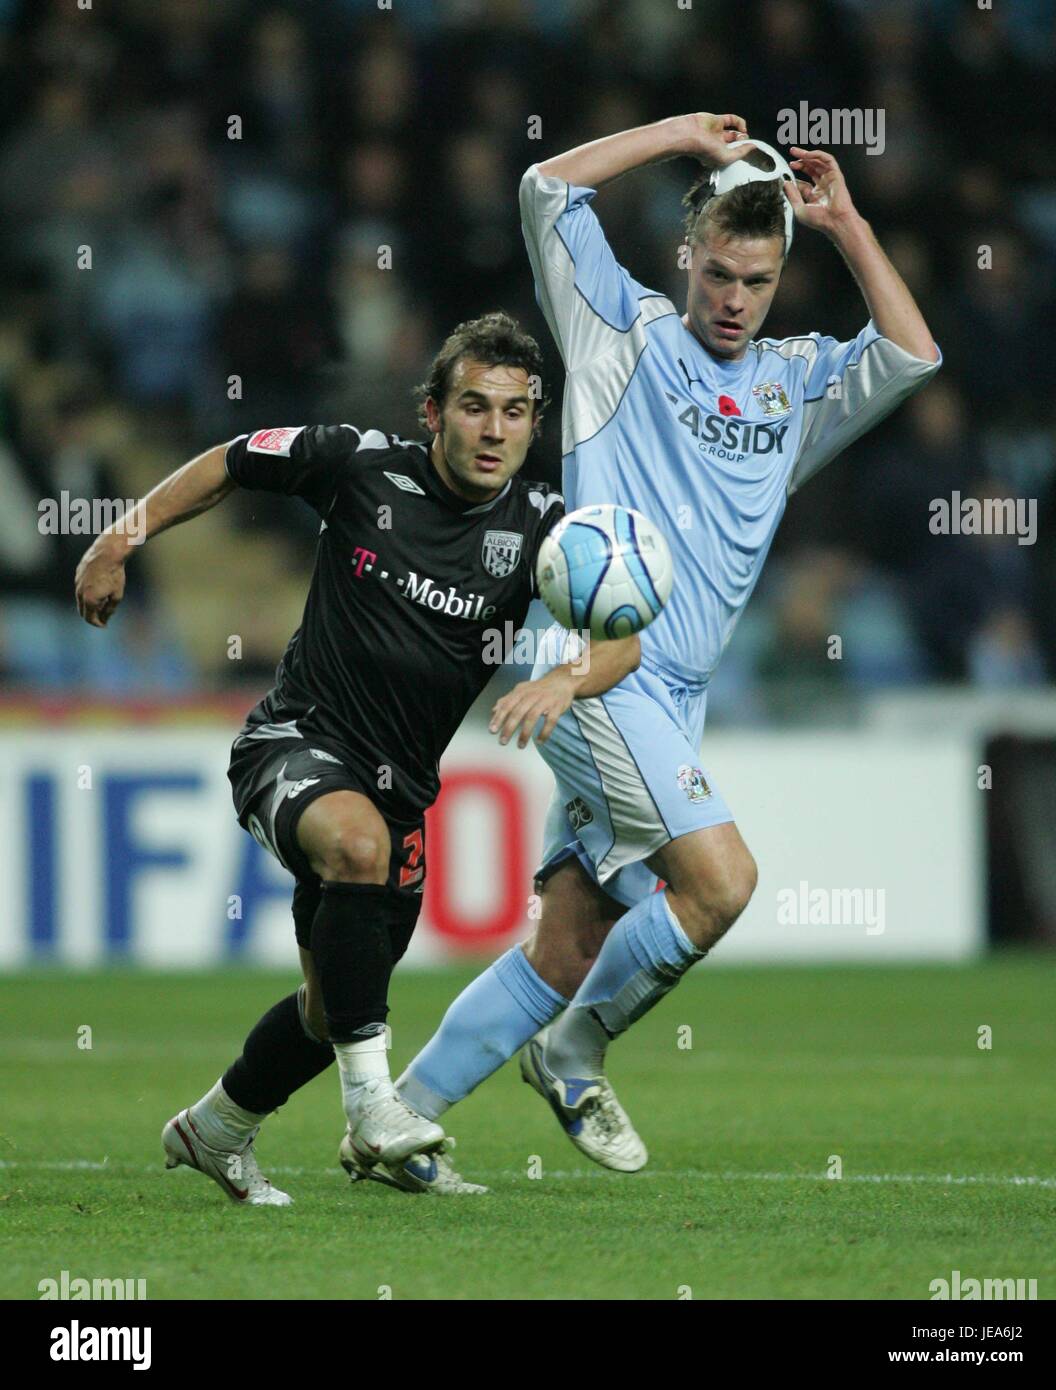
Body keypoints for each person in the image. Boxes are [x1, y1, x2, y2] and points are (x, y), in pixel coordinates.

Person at [388, 114, 942, 1188]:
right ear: (686, 258)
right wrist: (680, 135)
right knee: (720, 883)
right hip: (593, 658)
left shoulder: (793, 387)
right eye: (719, 273)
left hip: (671, 693)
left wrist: (847, 225)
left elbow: (913, 353)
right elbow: (544, 185)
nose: (733, 300)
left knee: (569, 937)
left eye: (758, 280)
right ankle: (572, 1052)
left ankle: (398, 1121)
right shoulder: (618, 337)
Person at [73, 311, 641, 1203]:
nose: (494, 430)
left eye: (515, 412)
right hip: (292, 743)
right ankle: (374, 1109)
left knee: (327, 1002)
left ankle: (215, 1129)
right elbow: (230, 460)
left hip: (401, 790)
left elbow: (623, 638)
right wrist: (121, 537)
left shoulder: (545, 526)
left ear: (535, 423)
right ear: (432, 412)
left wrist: (568, 679)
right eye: (473, 407)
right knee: (356, 849)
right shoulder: (359, 464)